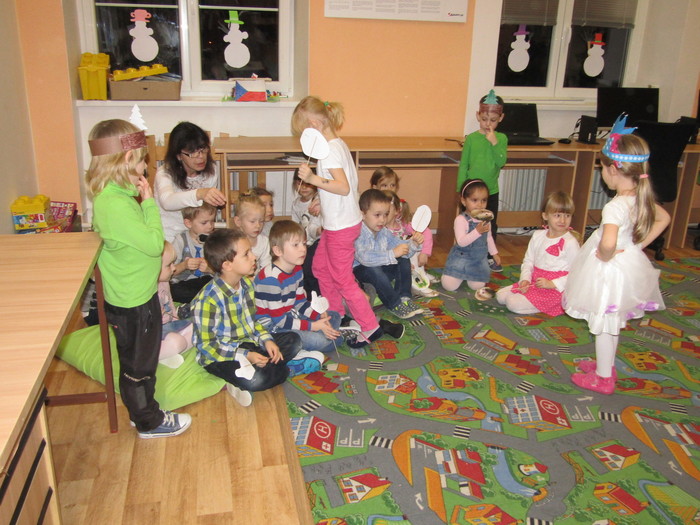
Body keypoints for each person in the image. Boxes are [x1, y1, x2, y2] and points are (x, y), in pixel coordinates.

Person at [86, 119, 191, 438]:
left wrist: (138, 195)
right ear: (126, 159)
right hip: (133, 304)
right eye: (143, 160)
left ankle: (141, 412)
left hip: (137, 296)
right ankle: (148, 421)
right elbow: (154, 244)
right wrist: (148, 203)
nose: (146, 166)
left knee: (139, 361)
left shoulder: (115, 195)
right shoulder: (115, 205)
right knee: (139, 367)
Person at [564, 116, 670, 395]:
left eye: (601, 167)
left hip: (607, 271)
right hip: (625, 267)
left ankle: (603, 379)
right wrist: (637, 246)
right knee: (611, 324)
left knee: (602, 323)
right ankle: (606, 365)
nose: (601, 172)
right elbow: (664, 218)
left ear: (613, 169)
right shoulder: (640, 196)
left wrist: (604, 254)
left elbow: (608, 241)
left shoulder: (615, 206)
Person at [191, 228, 323, 407]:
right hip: (222, 354)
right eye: (246, 254)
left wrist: (267, 340)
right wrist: (246, 355)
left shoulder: (246, 285)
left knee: (293, 340)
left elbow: (254, 322)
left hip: (248, 342)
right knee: (256, 380)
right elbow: (207, 347)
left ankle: (262, 368)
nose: (254, 257)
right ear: (227, 265)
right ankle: (286, 369)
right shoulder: (208, 300)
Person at [292, 96, 383, 348]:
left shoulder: (329, 151)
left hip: (341, 228)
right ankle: (337, 313)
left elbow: (342, 187)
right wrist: (324, 202)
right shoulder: (337, 144)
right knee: (320, 268)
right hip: (340, 222)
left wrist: (312, 179)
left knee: (343, 279)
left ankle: (370, 326)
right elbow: (344, 188)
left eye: (304, 132)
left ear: (314, 125)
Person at [255, 220, 344, 354]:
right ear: (278, 250)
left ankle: (321, 338)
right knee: (320, 339)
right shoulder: (270, 280)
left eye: (304, 243)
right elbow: (279, 321)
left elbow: (300, 302)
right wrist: (313, 326)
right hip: (274, 328)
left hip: (291, 316)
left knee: (334, 316)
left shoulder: (297, 269)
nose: (303, 249)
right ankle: (322, 340)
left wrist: (317, 315)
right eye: (295, 245)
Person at [496, 191, 580, 315]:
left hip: (556, 290)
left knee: (512, 303)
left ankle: (556, 305)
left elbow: (577, 273)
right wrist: (525, 279)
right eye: (557, 215)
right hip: (535, 282)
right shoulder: (538, 235)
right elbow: (528, 261)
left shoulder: (570, 242)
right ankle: (530, 299)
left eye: (567, 215)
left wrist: (552, 284)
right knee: (500, 296)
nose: (563, 220)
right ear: (545, 216)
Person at [456, 89, 507, 271]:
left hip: (490, 191)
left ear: (501, 118)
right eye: (484, 119)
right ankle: (465, 254)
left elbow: (501, 161)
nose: (488, 124)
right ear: (478, 116)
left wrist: (494, 143)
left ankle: (489, 256)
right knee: (467, 224)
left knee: (489, 224)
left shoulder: (501, 138)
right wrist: (460, 189)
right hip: (471, 193)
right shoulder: (471, 139)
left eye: (493, 120)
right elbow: (464, 164)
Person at [354, 189, 424, 319]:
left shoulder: (384, 232)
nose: (382, 220)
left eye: (385, 214)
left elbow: (400, 246)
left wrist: (413, 243)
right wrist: (392, 254)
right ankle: (394, 304)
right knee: (373, 269)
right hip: (361, 272)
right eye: (377, 215)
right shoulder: (358, 232)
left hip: (380, 270)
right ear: (362, 214)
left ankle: (404, 298)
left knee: (403, 259)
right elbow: (364, 258)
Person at [154, 122, 226, 242]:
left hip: (198, 233)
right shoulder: (165, 173)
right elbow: (167, 202)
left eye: (203, 149)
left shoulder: (211, 170)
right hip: (169, 234)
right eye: (192, 153)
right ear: (179, 155)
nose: (201, 157)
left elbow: (207, 211)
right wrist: (199, 193)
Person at [441, 179, 501, 293]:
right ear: (464, 201)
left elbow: (488, 238)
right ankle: (455, 274)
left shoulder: (486, 219)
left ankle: (469, 276)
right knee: (449, 286)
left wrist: (494, 253)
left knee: (477, 286)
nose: (480, 204)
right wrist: (477, 231)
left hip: (478, 261)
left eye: (484, 200)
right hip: (461, 258)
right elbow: (461, 242)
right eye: (474, 200)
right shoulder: (461, 219)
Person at [384, 191, 437, 298]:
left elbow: (426, 232)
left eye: (387, 212)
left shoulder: (403, 225)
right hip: (390, 261)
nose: (382, 216)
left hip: (405, 256)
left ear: (397, 211)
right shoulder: (380, 230)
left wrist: (425, 253)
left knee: (416, 245)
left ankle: (419, 277)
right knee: (406, 258)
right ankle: (416, 284)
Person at [170, 203, 216, 304]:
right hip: (183, 283)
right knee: (174, 291)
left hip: (205, 281)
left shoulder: (215, 241)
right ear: (188, 223)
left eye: (212, 221)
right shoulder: (181, 240)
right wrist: (184, 265)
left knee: (217, 287)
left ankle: (201, 301)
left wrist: (210, 269)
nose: (210, 226)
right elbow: (169, 271)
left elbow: (223, 271)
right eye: (204, 223)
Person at [158, 241, 194, 369]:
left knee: (197, 329)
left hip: (169, 325)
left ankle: (168, 355)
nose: (174, 268)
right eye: (169, 265)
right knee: (177, 342)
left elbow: (170, 303)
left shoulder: (164, 282)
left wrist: (175, 318)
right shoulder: (147, 290)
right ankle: (157, 356)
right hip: (155, 332)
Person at [291, 169, 323, 297]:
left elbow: (316, 227)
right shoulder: (296, 204)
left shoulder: (318, 201)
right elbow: (294, 225)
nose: (303, 187)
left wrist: (318, 231)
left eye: (308, 184)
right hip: (303, 241)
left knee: (309, 265)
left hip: (317, 240)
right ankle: (305, 294)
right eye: (300, 183)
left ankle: (316, 294)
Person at [233, 193, 271, 270]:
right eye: (252, 221)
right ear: (238, 221)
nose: (258, 225)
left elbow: (266, 266)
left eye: (261, 221)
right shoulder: (233, 242)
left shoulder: (264, 241)